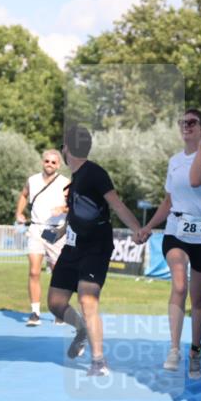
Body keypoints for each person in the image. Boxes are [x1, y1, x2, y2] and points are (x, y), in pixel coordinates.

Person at [47, 126, 142, 376]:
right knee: (55, 303)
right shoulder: (76, 177)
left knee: (87, 300)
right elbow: (78, 213)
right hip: (72, 246)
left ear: (68, 148)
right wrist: (60, 231)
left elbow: (117, 205)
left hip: (95, 247)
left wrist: (137, 229)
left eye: (63, 145)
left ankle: (99, 362)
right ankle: (81, 329)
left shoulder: (95, 173)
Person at [136, 109, 201, 378]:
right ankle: (174, 349)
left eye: (192, 122)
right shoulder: (174, 161)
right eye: (182, 122)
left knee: (198, 299)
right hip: (176, 230)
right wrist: (149, 227)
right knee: (180, 285)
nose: (186, 126)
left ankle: (195, 351)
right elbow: (168, 201)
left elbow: (196, 180)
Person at [15, 149, 69, 326]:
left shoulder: (65, 183)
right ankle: (35, 313)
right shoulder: (32, 180)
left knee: (58, 273)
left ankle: (59, 310)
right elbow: (24, 195)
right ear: (42, 162)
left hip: (55, 231)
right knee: (34, 271)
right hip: (36, 228)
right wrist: (19, 213)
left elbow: (74, 205)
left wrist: (62, 209)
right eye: (47, 161)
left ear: (58, 165)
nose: (50, 164)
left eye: (53, 162)